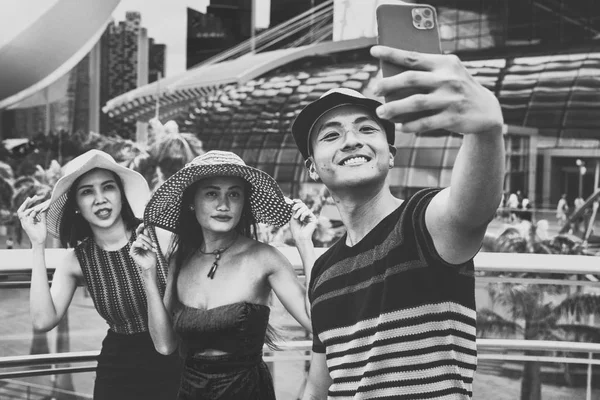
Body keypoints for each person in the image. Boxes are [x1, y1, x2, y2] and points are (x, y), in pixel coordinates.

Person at [291, 44, 505, 399]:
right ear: (312, 167)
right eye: (331, 135)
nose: (351, 141)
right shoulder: (324, 272)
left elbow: (471, 208)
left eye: (367, 129)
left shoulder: (421, 224)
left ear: (390, 155)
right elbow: (319, 384)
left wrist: (484, 130)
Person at [130, 150, 317, 400]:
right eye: (211, 193)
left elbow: (317, 324)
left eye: (234, 194)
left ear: (244, 203)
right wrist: (148, 274)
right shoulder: (180, 260)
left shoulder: (265, 258)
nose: (224, 205)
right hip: (190, 391)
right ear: (192, 202)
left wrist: (305, 243)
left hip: (248, 391)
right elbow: (164, 345)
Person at [17, 150, 181, 400]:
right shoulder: (76, 261)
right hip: (118, 373)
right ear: (76, 206)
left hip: (177, 362)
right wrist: (38, 244)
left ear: (121, 195)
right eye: (87, 192)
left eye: (108, 187)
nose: (100, 199)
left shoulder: (160, 238)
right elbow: (42, 321)